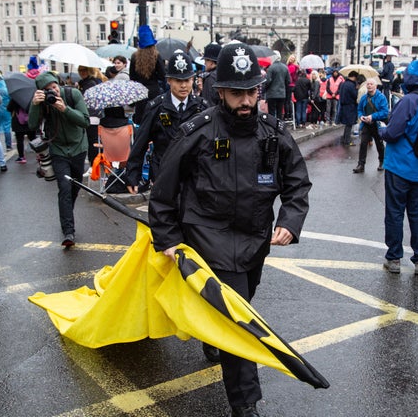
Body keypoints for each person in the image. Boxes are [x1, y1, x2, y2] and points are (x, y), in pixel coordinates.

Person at [148, 43, 311, 417]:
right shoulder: (198, 132)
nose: (245, 101)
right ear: (219, 91)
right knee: (240, 320)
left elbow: (297, 184)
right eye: (236, 93)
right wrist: (170, 240)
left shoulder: (272, 133)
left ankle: (214, 336)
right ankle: (245, 403)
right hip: (210, 240)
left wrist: (289, 221)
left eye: (251, 92)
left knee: (239, 304)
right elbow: (163, 193)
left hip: (254, 241)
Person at [380, 59, 418, 275]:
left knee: (395, 213)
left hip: (399, 165)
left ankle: (394, 258)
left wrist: (381, 130)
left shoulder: (409, 101)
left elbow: (393, 133)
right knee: (417, 213)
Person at [125, 50, 207, 193]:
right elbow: (140, 143)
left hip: (193, 175)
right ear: (169, 81)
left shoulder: (202, 108)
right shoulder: (156, 108)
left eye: (187, 80)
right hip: (163, 174)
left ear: (193, 80)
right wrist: (133, 174)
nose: (183, 86)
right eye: (178, 81)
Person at [28, 71, 89, 248]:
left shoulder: (72, 94)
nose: (53, 92)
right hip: (58, 149)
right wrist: (35, 104)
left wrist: (65, 109)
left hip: (78, 147)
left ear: (58, 84)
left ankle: (66, 212)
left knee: (74, 187)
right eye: (47, 90)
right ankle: (68, 231)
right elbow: (31, 125)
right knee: (64, 188)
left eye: (54, 87)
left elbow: (84, 121)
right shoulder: (42, 103)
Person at [130, 25, 166, 125]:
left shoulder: (134, 57)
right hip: (154, 91)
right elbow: (163, 76)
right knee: (154, 119)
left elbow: (132, 78)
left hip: (140, 92)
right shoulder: (156, 56)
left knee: (141, 121)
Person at [353, 77, 388, 173]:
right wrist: (361, 117)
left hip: (377, 124)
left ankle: (382, 161)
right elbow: (359, 109)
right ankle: (361, 164)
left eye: (371, 84)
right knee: (363, 144)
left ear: (376, 86)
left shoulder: (381, 97)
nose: (369, 86)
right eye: (367, 84)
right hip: (366, 124)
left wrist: (372, 116)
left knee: (379, 144)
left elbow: (385, 112)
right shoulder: (364, 98)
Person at [77, 65, 104, 174]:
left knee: (92, 142)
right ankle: (95, 164)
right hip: (92, 115)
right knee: (92, 141)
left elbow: (88, 101)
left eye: (84, 70)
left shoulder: (89, 83)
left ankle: (94, 166)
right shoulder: (87, 83)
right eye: (80, 71)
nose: (82, 72)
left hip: (91, 115)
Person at [263, 50, 290, 121]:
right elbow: (288, 81)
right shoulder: (285, 67)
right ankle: (279, 128)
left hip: (272, 94)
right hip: (282, 93)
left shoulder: (271, 68)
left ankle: (272, 128)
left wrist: (265, 89)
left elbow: (268, 81)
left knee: (271, 113)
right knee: (280, 112)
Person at [338, 71, 359, 146]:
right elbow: (355, 95)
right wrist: (357, 89)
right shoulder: (351, 85)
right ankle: (347, 140)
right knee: (349, 124)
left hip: (344, 105)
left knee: (347, 124)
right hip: (350, 106)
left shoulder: (344, 84)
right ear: (354, 77)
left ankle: (344, 139)